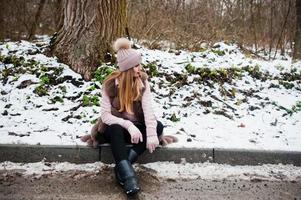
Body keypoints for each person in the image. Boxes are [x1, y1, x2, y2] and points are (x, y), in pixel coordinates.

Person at [81, 37, 177, 196]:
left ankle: (122, 168)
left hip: (136, 133)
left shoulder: (143, 83)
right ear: (128, 67)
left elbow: (148, 111)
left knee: (157, 126)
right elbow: (105, 116)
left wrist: (152, 134)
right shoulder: (110, 85)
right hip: (115, 131)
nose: (140, 68)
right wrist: (129, 125)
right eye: (137, 65)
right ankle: (129, 177)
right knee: (115, 128)